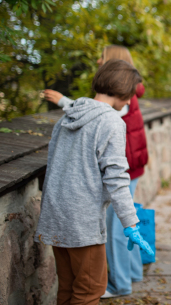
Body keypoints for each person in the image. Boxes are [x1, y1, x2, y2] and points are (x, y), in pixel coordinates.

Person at [34, 59, 153, 305]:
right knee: (89, 290)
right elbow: (118, 178)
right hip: (83, 225)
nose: (131, 101)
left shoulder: (66, 118)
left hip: (56, 217)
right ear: (122, 89)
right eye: (130, 94)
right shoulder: (111, 122)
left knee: (66, 288)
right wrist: (130, 223)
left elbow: (54, 167)